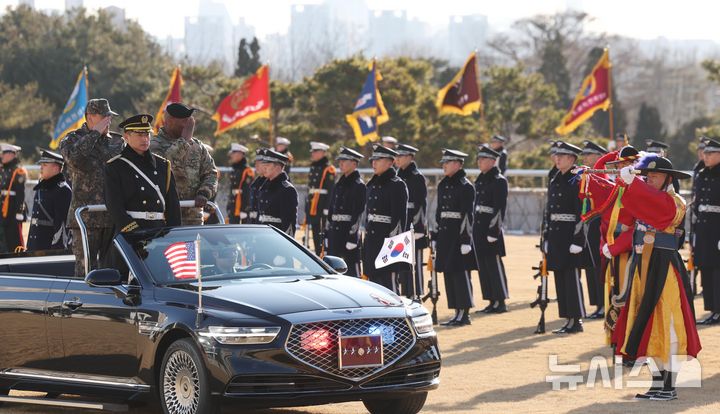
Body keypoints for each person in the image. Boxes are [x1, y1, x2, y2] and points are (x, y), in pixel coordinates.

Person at [613, 155, 700, 401]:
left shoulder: (676, 202)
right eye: (646, 176)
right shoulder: (644, 196)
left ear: (668, 179)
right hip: (644, 266)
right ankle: (657, 382)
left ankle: (669, 385)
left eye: (655, 176)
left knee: (668, 322)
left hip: (665, 268)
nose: (650, 180)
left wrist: (634, 186)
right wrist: (618, 184)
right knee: (646, 319)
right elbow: (624, 216)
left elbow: (659, 210)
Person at [59, 98, 123, 276]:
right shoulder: (71, 140)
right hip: (85, 219)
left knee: (111, 271)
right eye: (104, 117)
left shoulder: (117, 142)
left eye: (110, 117)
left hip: (111, 217)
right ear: (90, 117)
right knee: (85, 270)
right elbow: (74, 159)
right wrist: (94, 133)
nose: (108, 121)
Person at [104, 114, 181, 233]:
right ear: (126, 136)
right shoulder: (115, 166)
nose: (145, 139)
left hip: (159, 230)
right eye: (140, 135)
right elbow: (115, 207)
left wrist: (173, 233)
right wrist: (134, 232)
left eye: (147, 134)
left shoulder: (163, 165)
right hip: (131, 232)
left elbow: (173, 207)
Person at [150, 102, 218, 225]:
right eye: (184, 121)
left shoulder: (197, 146)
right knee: (171, 245)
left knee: (192, 245)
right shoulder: (154, 145)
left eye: (189, 121)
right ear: (169, 121)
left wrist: (204, 193)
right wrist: (185, 139)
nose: (188, 125)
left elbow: (211, 173)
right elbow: (166, 161)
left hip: (194, 218)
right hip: (165, 216)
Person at [544, 141, 586, 334]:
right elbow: (549, 211)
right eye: (556, 155)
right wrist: (545, 236)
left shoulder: (577, 181)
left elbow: (582, 214)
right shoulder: (555, 179)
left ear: (571, 159)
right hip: (556, 236)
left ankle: (576, 320)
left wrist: (578, 240)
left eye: (561, 156)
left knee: (570, 278)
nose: (557, 158)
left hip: (570, 237)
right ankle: (567, 318)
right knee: (560, 278)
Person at [433, 149, 476, 326]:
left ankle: (464, 313)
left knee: (460, 275)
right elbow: (439, 212)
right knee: (449, 274)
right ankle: (456, 311)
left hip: (458, 237)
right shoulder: (443, 185)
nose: (444, 165)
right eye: (443, 162)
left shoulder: (466, 187)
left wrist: (466, 239)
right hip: (445, 235)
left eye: (448, 162)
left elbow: (467, 215)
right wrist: (435, 235)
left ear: (458, 164)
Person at [362, 145, 408, 292]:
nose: (373, 163)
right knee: (373, 282)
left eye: (378, 159)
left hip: (388, 241)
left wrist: (393, 246)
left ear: (390, 162)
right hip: (372, 239)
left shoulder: (397, 185)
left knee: (388, 282)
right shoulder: (372, 184)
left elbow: (400, 219)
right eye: (372, 160)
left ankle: (395, 315)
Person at [473, 145, 509, 314]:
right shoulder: (480, 179)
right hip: (478, 227)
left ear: (493, 161)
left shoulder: (499, 180)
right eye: (479, 159)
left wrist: (494, 231)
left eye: (483, 159)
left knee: (494, 265)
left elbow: (499, 208)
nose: (479, 162)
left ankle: (500, 300)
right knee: (483, 266)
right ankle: (490, 300)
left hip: (490, 229)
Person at [325, 147, 366, 278]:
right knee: (333, 271)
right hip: (335, 232)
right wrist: (327, 232)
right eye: (340, 161)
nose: (340, 163)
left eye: (344, 161)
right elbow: (331, 210)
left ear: (354, 164)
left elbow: (358, 213)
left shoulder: (358, 185)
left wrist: (353, 237)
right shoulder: (338, 184)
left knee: (352, 270)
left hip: (347, 233)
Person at [580, 140, 609, 319]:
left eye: (589, 154)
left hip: (600, 226)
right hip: (589, 225)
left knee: (600, 267)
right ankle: (597, 304)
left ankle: (604, 303)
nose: (585, 157)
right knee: (591, 267)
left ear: (599, 157)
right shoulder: (587, 176)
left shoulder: (604, 177)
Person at [692, 137, 720, 325]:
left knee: (718, 271)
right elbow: (697, 203)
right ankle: (711, 308)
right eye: (705, 153)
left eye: (710, 154)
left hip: (717, 229)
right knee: (706, 269)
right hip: (703, 230)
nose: (706, 156)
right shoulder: (701, 174)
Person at [395, 144, 427, 298]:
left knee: (415, 263)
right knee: (401, 263)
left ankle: (417, 294)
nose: (397, 159)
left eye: (400, 156)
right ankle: (405, 294)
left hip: (414, 227)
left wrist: (419, 228)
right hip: (401, 225)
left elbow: (421, 204)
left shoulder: (417, 177)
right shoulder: (397, 175)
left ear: (410, 157)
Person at [27, 150, 72, 251]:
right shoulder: (42, 187)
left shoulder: (62, 190)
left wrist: (56, 250)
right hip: (35, 245)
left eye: (45, 164)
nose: (41, 168)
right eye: (41, 164)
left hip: (49, 248)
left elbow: (62, 225)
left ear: (56, 168)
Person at [256, 149, 297, 236]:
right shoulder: (264, 187)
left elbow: (288, 223)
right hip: (261, 235)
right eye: (264, 165)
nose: (264, 168)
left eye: (267, 165)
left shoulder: (287, 189)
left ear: (277, 167)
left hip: (276, 238)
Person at [306, 141, 335, 255]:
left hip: (322, 204)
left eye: (315, 152)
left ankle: (323, 254)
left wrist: (327, 208)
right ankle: (318, 254)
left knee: (322, 232)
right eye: (312, 152)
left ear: (323, 153)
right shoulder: (313, 167)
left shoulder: (329, 169)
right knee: (315, 231)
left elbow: (331, 190)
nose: (313, 154)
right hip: (314, 204)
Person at [0, 144, 27, 252]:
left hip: (13, 210)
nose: (2, 156)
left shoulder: (18, 171)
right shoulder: (3, 170)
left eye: (4, 154)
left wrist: (19, 213)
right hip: (3, 210)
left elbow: (20, 194)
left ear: (12, 155)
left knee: (14, 238)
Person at [226, 143, 254, 224]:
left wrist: (245, 209)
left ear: (240, 154)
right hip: (234, 207)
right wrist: (229, 206)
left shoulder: (247, 171)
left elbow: (248, 191)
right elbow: (232, 190)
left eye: (233, 154)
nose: (231, 156)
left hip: (242, 208)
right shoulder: (234, 169)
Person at [247, 148, 268, 224]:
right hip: (254, 224)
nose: (256, 166)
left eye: (259, 163)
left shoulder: (271, 183)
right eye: (255, 163)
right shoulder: (256, 183)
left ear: (267, 165)